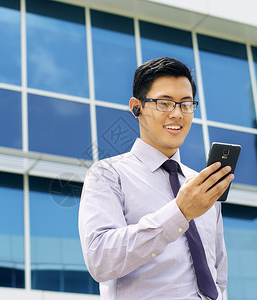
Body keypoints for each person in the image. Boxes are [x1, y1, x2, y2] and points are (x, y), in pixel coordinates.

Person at [78, 57, 233, 299]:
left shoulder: (200, 184)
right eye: (165, 103)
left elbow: (218, 275)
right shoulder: (108, 174)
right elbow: (100, 259)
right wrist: (179, 212)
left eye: (186, 104)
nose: (177, 114)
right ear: (136, 107)